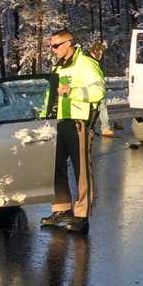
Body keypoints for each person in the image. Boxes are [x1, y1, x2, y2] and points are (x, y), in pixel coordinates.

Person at [41, 29, 105, 234]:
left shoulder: (86, 63)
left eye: (55, 45)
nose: (52, 50)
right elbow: (51, 95)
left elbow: (99, 91)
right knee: (55, 167)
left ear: (68, 43)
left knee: (81, 171)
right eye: (51, 46)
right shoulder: (58, 66)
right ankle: (61, 209)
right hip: (59, 122)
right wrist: (44, 117)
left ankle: (82, 215)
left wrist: (73, 92)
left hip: (79, 123)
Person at [86, 39, 114, 138]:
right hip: (90, 88)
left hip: (98, 88)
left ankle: (104, 128)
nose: (101, 55)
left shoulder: (97, 60)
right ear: (95, 51)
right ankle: (89, 128)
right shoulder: (87, 60)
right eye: (100, 52)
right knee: (93, 109)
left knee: (102, 107)